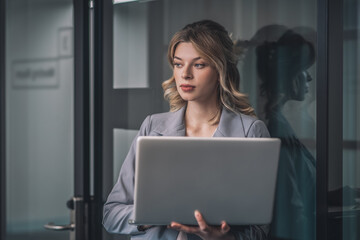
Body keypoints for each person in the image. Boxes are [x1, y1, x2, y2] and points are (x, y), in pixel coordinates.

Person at [103, 20, 270, 240]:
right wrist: (153, 215)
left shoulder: (250, 131)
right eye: (178, 64)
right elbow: (111, 214)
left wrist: (223, 239)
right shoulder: (153, 126)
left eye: (199, 65)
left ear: (221, 70)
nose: (185, 74)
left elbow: (260, 230)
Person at [256, 29, 316, 240]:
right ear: (290, 74)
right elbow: (290, 205)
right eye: (304, 69)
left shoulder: (286, 124)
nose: (309, 77)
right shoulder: (276, 130)